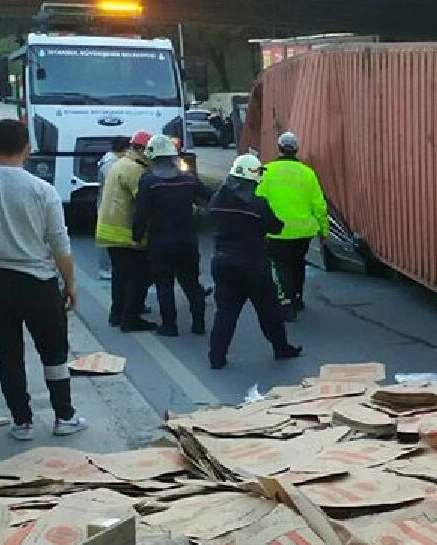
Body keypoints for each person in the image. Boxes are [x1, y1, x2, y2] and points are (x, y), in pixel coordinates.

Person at [0, 119, 87, 440]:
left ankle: (21, 422)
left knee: (7, 353)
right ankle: (64, 416)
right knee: (53, 352)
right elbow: (59, 245)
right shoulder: (42, 190)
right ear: (28, 148)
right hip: (37, 282)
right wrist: (70, 284)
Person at [206, 155, 302, 370]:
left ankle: (216, 356)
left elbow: (209, 215)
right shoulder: (257, 205)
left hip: (222, 262)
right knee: (268, 309)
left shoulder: (218, 200)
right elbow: (276, 227)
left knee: (226, 312)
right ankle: (281, 347)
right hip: (252, 264)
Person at [132, 134, 211, 337]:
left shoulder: (149, 182)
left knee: (164, 284)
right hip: (187, 240)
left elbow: (141, 212)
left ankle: (170, 326)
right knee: (191, 282)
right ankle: (199, 323)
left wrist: (137, 235)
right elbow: (210, 197)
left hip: (161, 241)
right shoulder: (189, 179)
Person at [257, 131, 328, 321]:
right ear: (296, 149)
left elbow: (257, 200)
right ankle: (297, 298)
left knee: (281, 266)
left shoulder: (266, 171)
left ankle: (286, 303)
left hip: (276, 231)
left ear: (279, 148)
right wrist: (324, 229)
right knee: (298, 263)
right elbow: (319, 205)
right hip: (303, 231)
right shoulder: (308, 173)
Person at [97, 129, 157, 332]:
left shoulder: (122, 163)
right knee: (137, 276)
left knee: (120, 276)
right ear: (141, 150)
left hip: (110, 230)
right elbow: (146, 202)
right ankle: (131, 318)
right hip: (125, 232)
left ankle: (117, 313)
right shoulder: (134, 170)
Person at [94, 136, 130, 281]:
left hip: (108, 204)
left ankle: (109, 268)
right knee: (107, 239)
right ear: (124, 149)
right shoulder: (110, 163)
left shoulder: (111, 160)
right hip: (108, 205)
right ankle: (104, 269)